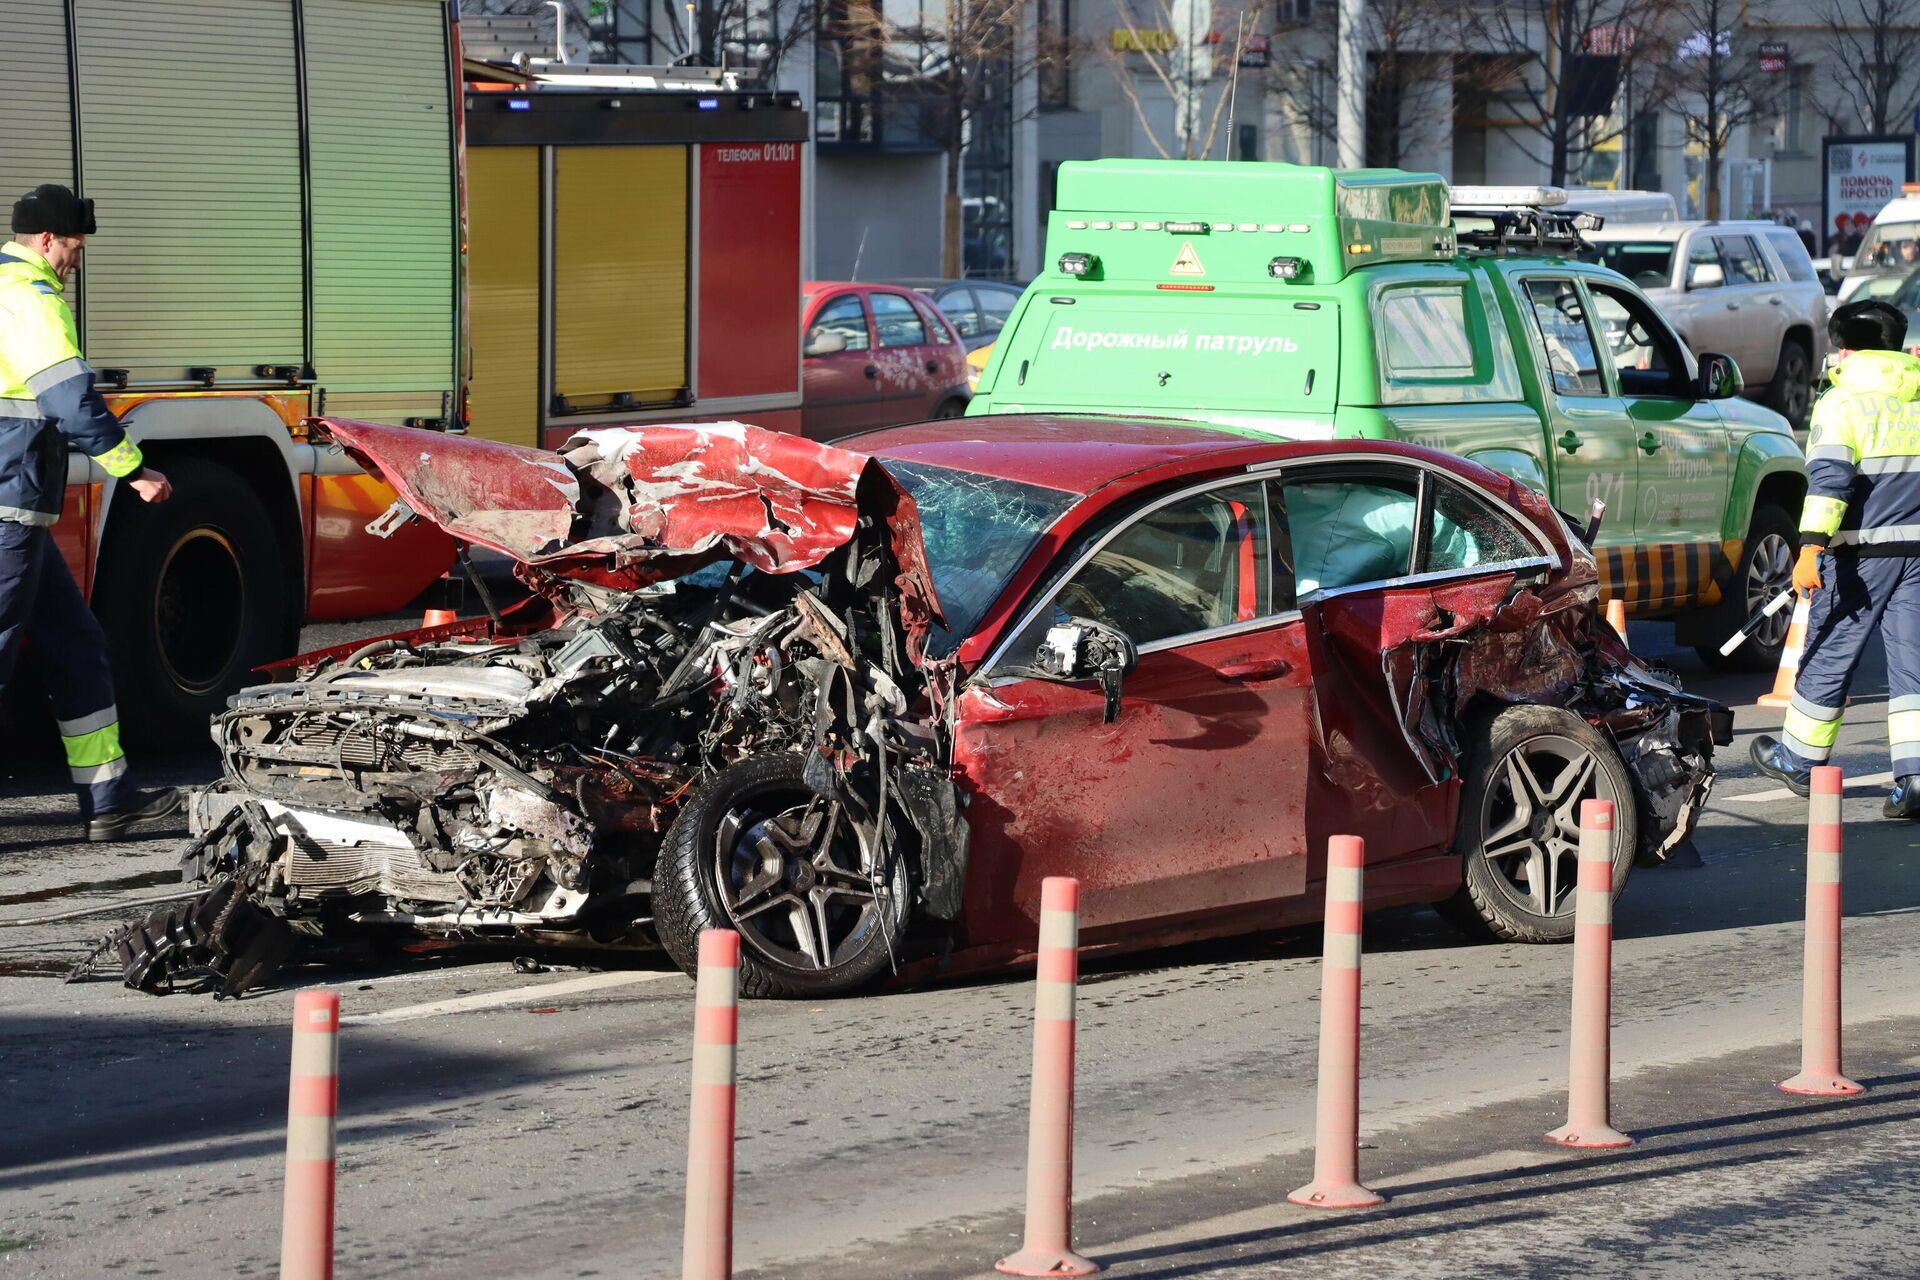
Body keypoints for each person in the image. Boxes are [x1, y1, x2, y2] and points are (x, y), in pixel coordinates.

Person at [1, 184, 180, 841]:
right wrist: (133, 471)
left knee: (77, 644)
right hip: (6, 505)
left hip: (20, 507)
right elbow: (70, 400)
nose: (76, 263)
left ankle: (108, 798)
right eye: (74, 249)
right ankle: (108, 799)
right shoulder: (27, 298)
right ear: (47, 241)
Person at [1752, 299, 1920, 818]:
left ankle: (1799, 760)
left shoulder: (1843, 401)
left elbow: (1828, 486)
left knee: (1829, 650)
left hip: (1859, 555)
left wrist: (1809, 549)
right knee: (1913, 665)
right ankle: (1915, 778)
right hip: (1916, 551)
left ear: (1845, 348)